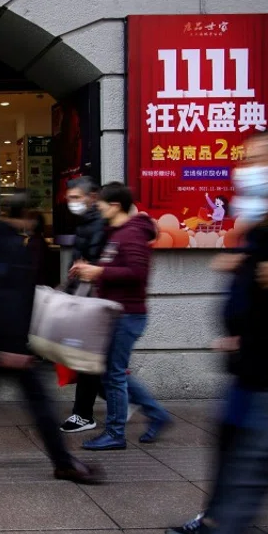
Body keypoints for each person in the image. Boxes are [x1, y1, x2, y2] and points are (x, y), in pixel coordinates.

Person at [136, 127, 268, 534]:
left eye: (258, 161)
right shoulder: (267, 222)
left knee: (252, 474)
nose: (246, 172)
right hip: (258, 368)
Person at [0, 192, 101, 485]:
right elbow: (6, 298)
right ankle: (63, 463)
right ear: (24, 214)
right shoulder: (12, 247)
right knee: (39, 403)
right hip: (8, 341)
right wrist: (13, 346)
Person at [73, 183, 171, 451]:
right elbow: (117, 266)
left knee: (113, 375)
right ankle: (157, 414)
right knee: (113, 372)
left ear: (114, 206)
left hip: (128, 315)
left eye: (101, 204)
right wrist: (91, 269)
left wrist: (99, 273)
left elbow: (137, 274)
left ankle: (115, 433)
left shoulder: (132, 235)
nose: (97, 208)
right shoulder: (117, 233)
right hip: (117, 313)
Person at [60, 176, 109, 433]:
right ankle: (123, 400)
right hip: (87, 298)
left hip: (96, 300)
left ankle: (83, 414)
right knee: (94, 360)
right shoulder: (87, 222)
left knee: (89, 359)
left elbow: (94, 263)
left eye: (77, 198)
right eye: (70, 198)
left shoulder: (101, 223)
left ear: (93, 197)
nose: (72, 203)